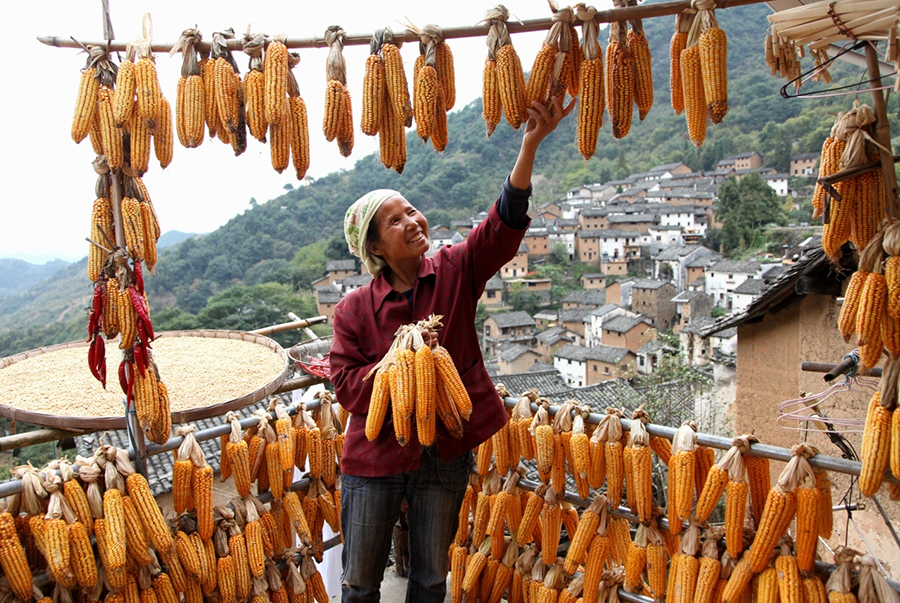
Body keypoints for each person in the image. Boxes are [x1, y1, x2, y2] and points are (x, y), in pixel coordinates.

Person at [329, 95, 574, 603]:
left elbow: (501, 228)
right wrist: (398, 361)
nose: (413, 222)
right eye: (395, 222)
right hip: (375, 457)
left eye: (411, 210)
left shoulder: (456, 270)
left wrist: (529, 144)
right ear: (374, 248)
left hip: (444, 450)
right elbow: (347, 387)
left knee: (430, 579)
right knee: (358, 584)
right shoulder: (352, 310)